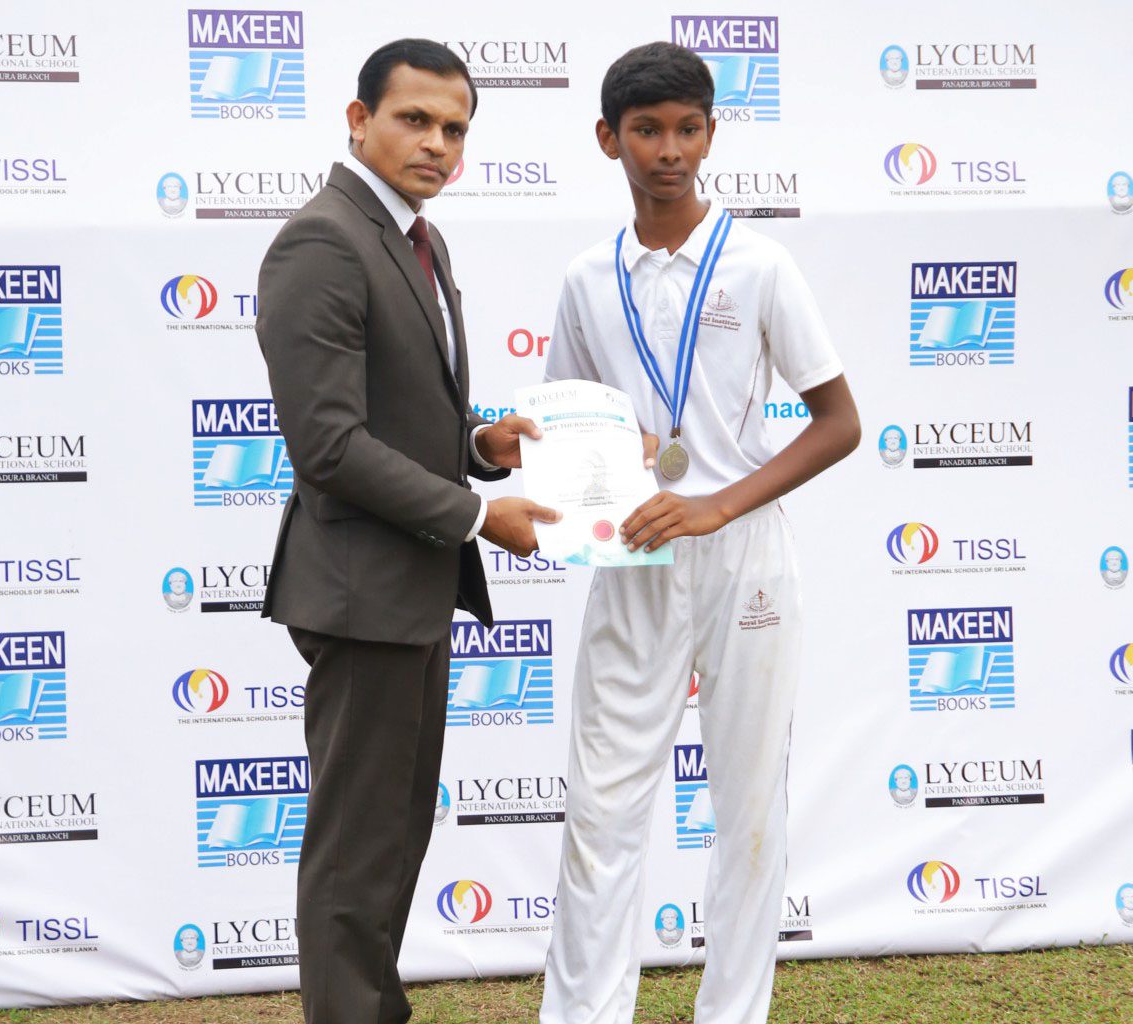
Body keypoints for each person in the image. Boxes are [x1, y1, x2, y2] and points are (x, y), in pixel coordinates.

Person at [538, 42, 860, 1024]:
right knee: (600, 809)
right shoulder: (587, 277)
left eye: (686, 129)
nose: (668, 151)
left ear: (712, 134)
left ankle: (733, 1012)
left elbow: (839, 422)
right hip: (634, 554)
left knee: (748, 809)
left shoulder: (760, 264)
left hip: (744, 555)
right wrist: (611, 450)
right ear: (609, 140)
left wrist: (718, 502)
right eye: (646, 131)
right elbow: (570, 427)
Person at [255, 38, 557, 1024]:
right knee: (357, 853)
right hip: (361, 596)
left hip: (409, 592)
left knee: (388, 843)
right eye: (414, 119)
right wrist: (477, 514)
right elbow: (329, 447)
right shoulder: (322, 242)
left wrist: (479, 445)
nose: (437, 143)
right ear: (358, 119)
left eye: (454, 129)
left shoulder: (419, 239)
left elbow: (402, 413)